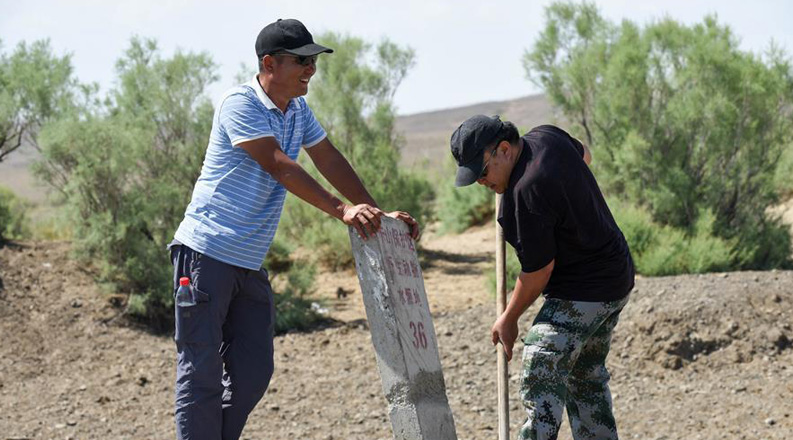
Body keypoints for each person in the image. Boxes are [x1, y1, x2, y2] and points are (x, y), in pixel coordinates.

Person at [169, 18, 419, 440]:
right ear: (268, 63)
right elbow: (280, 166)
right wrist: (341, 210)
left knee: (253, 372)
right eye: (301, 61)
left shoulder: (298, 110)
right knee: (202, 372)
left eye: (313, 61)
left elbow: (328, 158)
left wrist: (377, 214)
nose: (311, 69)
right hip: (204, 254)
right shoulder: (240, 103)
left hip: (248, 262)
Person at [450, 115, 635, 440]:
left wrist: (509, 318)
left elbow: (538, 272)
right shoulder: (547, 136)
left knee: (542, 357)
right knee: (584, 375)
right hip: (616, 274)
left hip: (586, 287)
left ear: (505, 149)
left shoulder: (526, 191)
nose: (483, 184)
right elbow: (585, 156)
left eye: (482, 173)